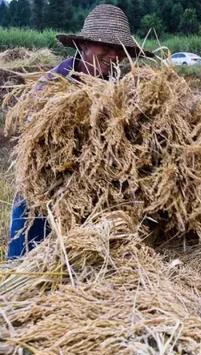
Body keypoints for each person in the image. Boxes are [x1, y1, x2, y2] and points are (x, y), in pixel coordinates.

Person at [6, 4, 150, 260]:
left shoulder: (120, 88)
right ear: (82, 46)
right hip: (44, 191)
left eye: (120, 50)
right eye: (105, 46)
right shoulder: (52, 86)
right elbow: (33, 145)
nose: (113, 55)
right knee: (26, 262)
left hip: (92, 193)